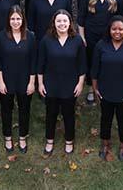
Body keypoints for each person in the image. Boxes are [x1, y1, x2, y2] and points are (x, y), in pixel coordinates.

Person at [38, 10, 87, 155]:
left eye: (65, 21)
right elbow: (40, 64)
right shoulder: (46, 40)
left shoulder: (77, 40)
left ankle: (69, 141)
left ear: (70, 23)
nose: (62, 24)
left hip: (70, 84)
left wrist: (80, 84)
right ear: (54, 23)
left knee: (68, 114)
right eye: (58, 21)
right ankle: (49, 140)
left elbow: (82, 65)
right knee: (51, 113)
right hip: (50, 83)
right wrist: (40, 84)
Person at [92, 16, 123, 161]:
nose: (117, 32)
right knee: (105, 119)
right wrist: (95, 88)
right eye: (114, 29)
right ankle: (105, 143)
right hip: (105, 90)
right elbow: (95, 69)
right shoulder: (101, 45)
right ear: (109, 30)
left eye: (120, 29)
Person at [79, 0, 123, 104]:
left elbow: (121, 19)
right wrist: (82, 37)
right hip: (90, 35)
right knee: (92, 61)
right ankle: (90, 89)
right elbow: (81, 19)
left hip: (109, 37)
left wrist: (119, 37)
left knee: (106, 61)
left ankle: (105, 86)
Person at [0, 6, 37, 154]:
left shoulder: (30, 36)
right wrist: (0, 82)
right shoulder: (1, 36)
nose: (15, 21)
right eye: (12, 18)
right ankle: (7, 137)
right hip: (6, 80)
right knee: (6, 110)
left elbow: (33, 61)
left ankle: (22, 137)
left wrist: (32, 82)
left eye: (18, 18)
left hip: (25, 80)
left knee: (24, 110)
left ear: (23, 19)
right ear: (8, 20)